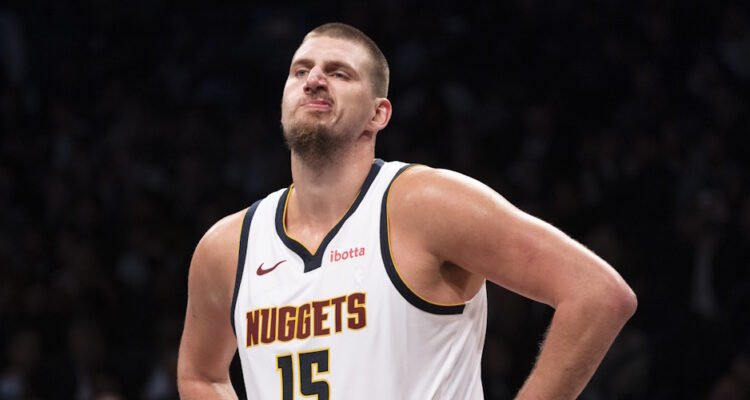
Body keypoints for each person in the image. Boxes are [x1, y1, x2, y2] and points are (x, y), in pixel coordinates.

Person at [176, 22, 637, 399]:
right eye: (300, 71)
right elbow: (200, 375)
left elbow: (597, 294)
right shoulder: (228, 246)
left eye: (339, 72)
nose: (314, 79)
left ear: (379, 114)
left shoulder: (426, 204)